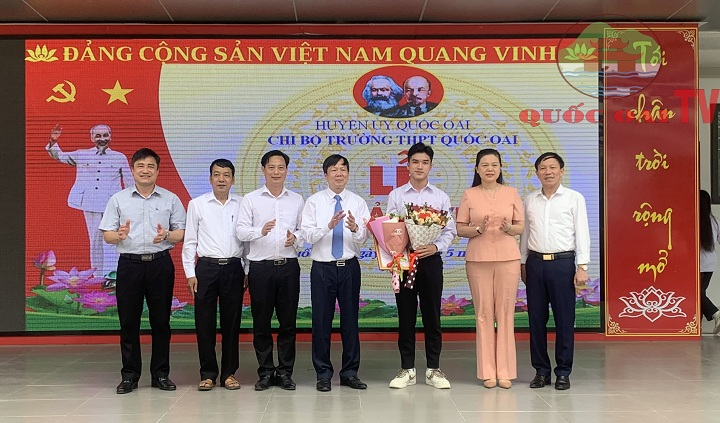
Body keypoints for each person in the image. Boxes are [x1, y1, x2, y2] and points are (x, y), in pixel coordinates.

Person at [99, 148, 186, 394]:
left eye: (150, 166)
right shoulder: (118, 199)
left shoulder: (170, 199)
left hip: (160, 264)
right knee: (129, 322)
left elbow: (182, 233)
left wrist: (167, 235)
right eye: (141, 166)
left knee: (161, 322)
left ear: (157, 171)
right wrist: (119, 235)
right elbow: (107, 235)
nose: (145, 170)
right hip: (130, 265)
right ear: (133, 170)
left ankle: (161, 374)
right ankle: (129, 376)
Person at [386, 142, 456, 390]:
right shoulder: (396, 196)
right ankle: (407, 369)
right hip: (405, 262)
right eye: (415, 162)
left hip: (431, 261)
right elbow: (390, 229)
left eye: (425, 162)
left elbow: (449, 230)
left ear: (430, 166)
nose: (419, 166)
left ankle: (433, 369)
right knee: (405, 316)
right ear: (407, 165)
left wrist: (435, 246)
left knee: (432, 315)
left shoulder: (440, 197)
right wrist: (401, 247)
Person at [520, 152, 590, 391]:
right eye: (543, 168)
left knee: (564, 319)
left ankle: (563, 372)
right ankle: (541, 371)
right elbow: (525, 234)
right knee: (536, 319)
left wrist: (582, 266)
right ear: (537, 173)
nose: (547, 172)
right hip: (535, 263)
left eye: (552, 167)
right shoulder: (530, 200)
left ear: (562, 171)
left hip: (563, 264)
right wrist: (523, 263)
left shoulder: (574, 198)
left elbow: (582, 232)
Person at [301, 154, 370, 392]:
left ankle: (350, 373)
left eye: (343, 169)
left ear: (348, 174)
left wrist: (356, 228)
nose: (339, 174)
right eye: (334, 169)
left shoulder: (358, 202)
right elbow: (307, 236)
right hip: (323, 268)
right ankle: (323, 374)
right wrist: (327, 226)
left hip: (349, 267)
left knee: (350, 321)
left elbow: (363, 238)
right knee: (321, 321)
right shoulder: (314, 202)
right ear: (325, 175)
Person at [236, 150, 304, 391]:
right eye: (271, 167)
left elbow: (304, 231)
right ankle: (265, 372)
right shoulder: (251, 199)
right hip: (260, 269)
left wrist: (295, 238)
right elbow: (240, 231)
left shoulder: (297, 199)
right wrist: (260, 231)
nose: (276, 172)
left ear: (286, 170)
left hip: (288, 267)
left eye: (281, 167)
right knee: (261, 323)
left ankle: (285, 372)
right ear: (263, 169)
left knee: (288, 323)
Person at [456, 149, 524, 389]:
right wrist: (478, 230)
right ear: (477, 169)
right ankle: (487, 372)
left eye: (494, 164)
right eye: (484, 165)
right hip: (478, 260)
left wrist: (508, 228)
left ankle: (505, 372)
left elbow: (520, 226)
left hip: (508, 259)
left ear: (500, 168)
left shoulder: (511, 193)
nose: (490, 169)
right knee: (483, 314)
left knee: (505, 314)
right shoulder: (469, 194)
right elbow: (460, 229)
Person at [182, 159, 247, 392]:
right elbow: (190, 241)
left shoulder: (242, 204)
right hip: (206, 269)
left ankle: (229, 373)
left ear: (233, 179)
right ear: (210, 178)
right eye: (217, 174)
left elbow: (247, 241)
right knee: (204, 322)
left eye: (226, 175)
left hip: (234, 268)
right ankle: (208, 373)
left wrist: (247, 269)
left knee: (232, 322)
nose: (221, 179)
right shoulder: (197, 204)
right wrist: (190, 273)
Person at [46, 124, 131, 278]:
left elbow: (129, 181)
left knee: (113, 240)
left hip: (113, 205)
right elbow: (60, 156)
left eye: (105, 135)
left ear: (110, 136)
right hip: (90, 203)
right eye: (98, 136)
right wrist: (53, 141)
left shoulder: (119, 157)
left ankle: (111, 276)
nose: (102, 139)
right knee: (95, 241)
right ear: (92, 138)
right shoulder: (82, 154)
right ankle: (98, 277)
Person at [700, 189, 720, 335]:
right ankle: (698, 325)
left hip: (696, 264)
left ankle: (716, 313)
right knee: (701, 293)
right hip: (710, 263)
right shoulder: (715, 221)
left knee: (697, 294)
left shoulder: (691, 220)